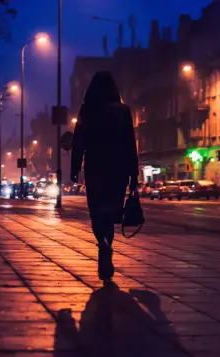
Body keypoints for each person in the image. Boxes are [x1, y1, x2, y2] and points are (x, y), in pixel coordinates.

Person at [70, 71, 139, 282]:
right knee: (111, 212)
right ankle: (108, 243)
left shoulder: (86, 111)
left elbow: (78, 141)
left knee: (97, 211)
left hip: (95, 167)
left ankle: (103, 245)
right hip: (117, 169)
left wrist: (74, 168)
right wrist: (133, 174)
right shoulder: (123, 111)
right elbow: (130, 143)